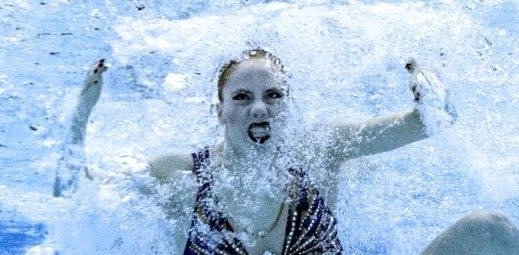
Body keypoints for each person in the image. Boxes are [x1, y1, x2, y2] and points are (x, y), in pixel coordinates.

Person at [55, 50, 519, 254]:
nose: (260, 107)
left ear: (288, 104)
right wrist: (80, 116)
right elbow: (77, 196)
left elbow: (432, 123)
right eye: (241, 97)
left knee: (489, 230)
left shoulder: (322, 148)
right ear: (220, 112)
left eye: (274, 96)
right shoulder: (179, 173)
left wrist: (429, 88)